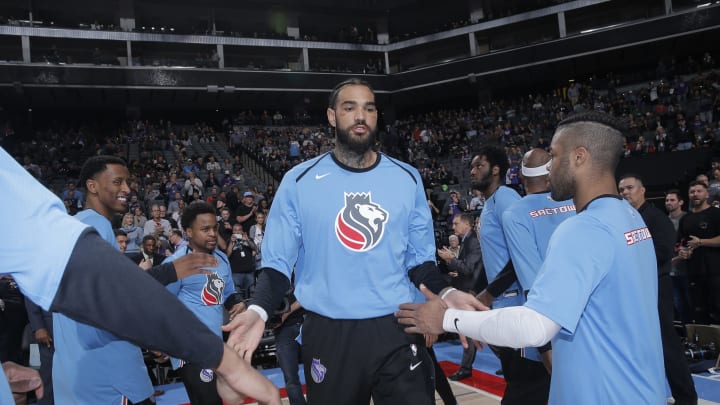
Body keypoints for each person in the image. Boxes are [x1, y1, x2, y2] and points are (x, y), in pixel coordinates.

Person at [223, 78, 482, 405]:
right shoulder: (298, 182)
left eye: (369, 108)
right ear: (332, 116)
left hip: (398, 325)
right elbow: (276, 266)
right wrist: (259, 309)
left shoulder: (407, 178)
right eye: (350, 108)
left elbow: (419, 260)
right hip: (330, 332)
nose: (361, 116)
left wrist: (446, 291)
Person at [397, 111, 666, 405]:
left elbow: (534, 326)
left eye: (554, 155)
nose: (548, 168)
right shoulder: (631, 217)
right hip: (642, 389)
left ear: (579, 157)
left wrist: (447, 318)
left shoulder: (581, 229)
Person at [0, 146, 281, 405]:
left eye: (128, 181)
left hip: (78, 376)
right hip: (109, 376)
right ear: (92, 186)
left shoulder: (76, 226)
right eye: (117, 182)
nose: (127, 188)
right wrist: (170, 274)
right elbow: (124, 299)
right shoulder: (93, 228)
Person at [470, 146, 549, 405]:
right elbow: (493, 256)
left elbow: (522, 252)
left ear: (496, 170)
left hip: (518, 300)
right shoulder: (490, 203)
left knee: (526, 381)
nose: (472, 171)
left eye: (478, 166)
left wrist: (486, 294)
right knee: (521, 377)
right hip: (504, 300)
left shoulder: (505, 196)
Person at [619, 174, 698, 405]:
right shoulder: (627, 219)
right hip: (635, 289)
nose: (625, 193)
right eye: (621, 189)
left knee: (667, 344)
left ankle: (686, 398)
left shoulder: (655, 218)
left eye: (630, 188)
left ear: (642, 190)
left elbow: (662, 252)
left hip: (656, 287)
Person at [501, 148, 575, 375]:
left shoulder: (514, 214)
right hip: (589, 312)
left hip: (551, 322)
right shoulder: (575, 202)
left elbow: (533, 283)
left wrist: (543, 347)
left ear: (521, 177)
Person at [163, 202, 246, 405]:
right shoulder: (175, 265)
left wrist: (236, 303)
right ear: (188, 232)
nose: (212, 234)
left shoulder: (221, 260)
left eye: (214, 228)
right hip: (189, 347)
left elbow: (228, 294)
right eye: (205, 229)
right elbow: (162, 306)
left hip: (214, 346)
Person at [437, 212, 483, 381]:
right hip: (470, 291)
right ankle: (509, 363)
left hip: (472, 293)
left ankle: (466, 368)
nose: (453, 226)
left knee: (470, 332)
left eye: (456, 224)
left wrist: (451, 260)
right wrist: (456, 269)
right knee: (476, 332)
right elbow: (468, 268)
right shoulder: (467, 241)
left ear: (466, 225)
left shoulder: (473, 241)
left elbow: (469, 268)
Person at [675, 180, 720, 324]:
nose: (695, 194)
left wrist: (701, 242)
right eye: (692, 192)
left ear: (707, 194)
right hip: (694, 273)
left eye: (699, 191)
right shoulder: (686, 219)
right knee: (699, 313)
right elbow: (681, 243)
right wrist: (682, 252)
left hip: (716, 272)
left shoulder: (716, 213)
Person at [25, 298, 54, 404]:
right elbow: (31, 296)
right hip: (49, 330)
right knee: (46, 377)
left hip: (75, 329)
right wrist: (38, 327)